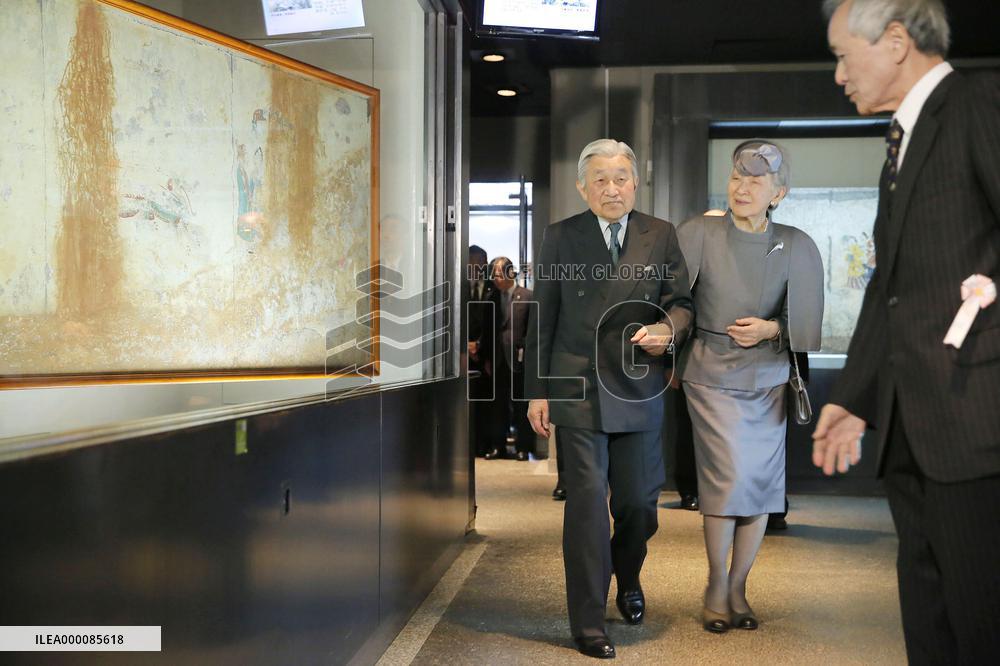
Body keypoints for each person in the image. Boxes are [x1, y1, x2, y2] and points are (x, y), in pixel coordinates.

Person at [814, 1, 1000, 661]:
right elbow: (889, 290)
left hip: (977, 426)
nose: (838, 75)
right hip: (913, 430)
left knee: (983, 626)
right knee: (932, 626)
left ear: (895, 42)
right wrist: (852, 396)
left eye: (842, 54)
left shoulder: (978, 104)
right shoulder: (902, 142)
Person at [525, 138, 694, 659]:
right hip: (576, 386)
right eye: (599, 178)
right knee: (586, 509)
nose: (611, 187)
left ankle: (629, 573)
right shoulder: (560, 237)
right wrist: (536, 391)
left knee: (639, 506)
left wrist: (669, 329)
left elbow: (682, 302)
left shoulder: (659, 234)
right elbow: (543, 317)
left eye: (620, 177)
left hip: (637, 386)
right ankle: (589, 619)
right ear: (582, 186)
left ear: (635, 183)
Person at [676, 140, 823, 633]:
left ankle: (739, 585)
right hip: (711, 375)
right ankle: (716, 585)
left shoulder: (796, 244)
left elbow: (800, 321)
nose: (742, 188)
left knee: (759, 488)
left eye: (755, 181)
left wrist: (771, 330)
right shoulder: (698, 232)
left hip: (767, 379)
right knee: (726, 480)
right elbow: (675, 302)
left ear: (778, 193)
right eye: (737, 178)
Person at [486, 256, 534, 461]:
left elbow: (532, 330)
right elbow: (488, 332)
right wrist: (486, 358)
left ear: (510, 273)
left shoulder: (528, 296)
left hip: (520, 360)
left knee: (521, 404)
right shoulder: (491, 298)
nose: (495, 279)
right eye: (493, 275)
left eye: (499, 274)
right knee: (497, 405)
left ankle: (524, 447)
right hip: (497, 360)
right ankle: (498, 445)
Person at [467, 245, 498, 457]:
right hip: (462, 354)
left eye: (479, 262)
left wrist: (479, 344)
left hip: (486, 353)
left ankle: (488, 444)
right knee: (468, 403)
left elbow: (496, 321)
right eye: (472, 262)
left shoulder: (493, 288)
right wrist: (466, 345)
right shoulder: (458, 285)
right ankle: (470, 445)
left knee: (488, 402)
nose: (476, 267)